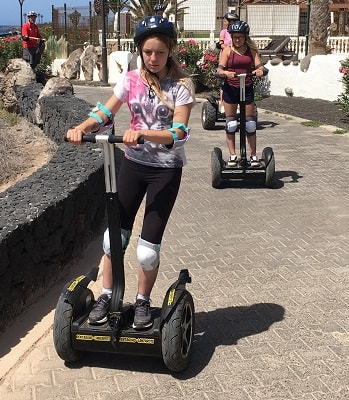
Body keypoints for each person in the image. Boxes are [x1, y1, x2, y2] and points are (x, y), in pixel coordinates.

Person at [66, 16, 195, 330]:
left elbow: (179, 132)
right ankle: (108, 296)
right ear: (140, 51)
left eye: (160, 52)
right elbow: (107, 110)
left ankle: (141, 302)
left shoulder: (181, 86)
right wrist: (82, 127)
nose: (153, 58)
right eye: (148, 52)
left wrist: (145, 134)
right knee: (113, 241)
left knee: (147, 252)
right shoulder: (131, 79)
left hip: (165, 171)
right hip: (134, 166)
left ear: (170, 51)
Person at [216, 20, 267, 167]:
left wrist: (259, 71)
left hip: (247, 87)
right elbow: (219, 69)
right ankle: (233, 155)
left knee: (250, 124)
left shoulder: (252, 50)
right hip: (231, 89)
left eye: (240, 37)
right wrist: (224, 72)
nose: (237, 40)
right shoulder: (227, 50)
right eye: (235, 37)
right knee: (231, 123)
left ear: (245, 37)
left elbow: (260, 67)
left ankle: (253, 156)